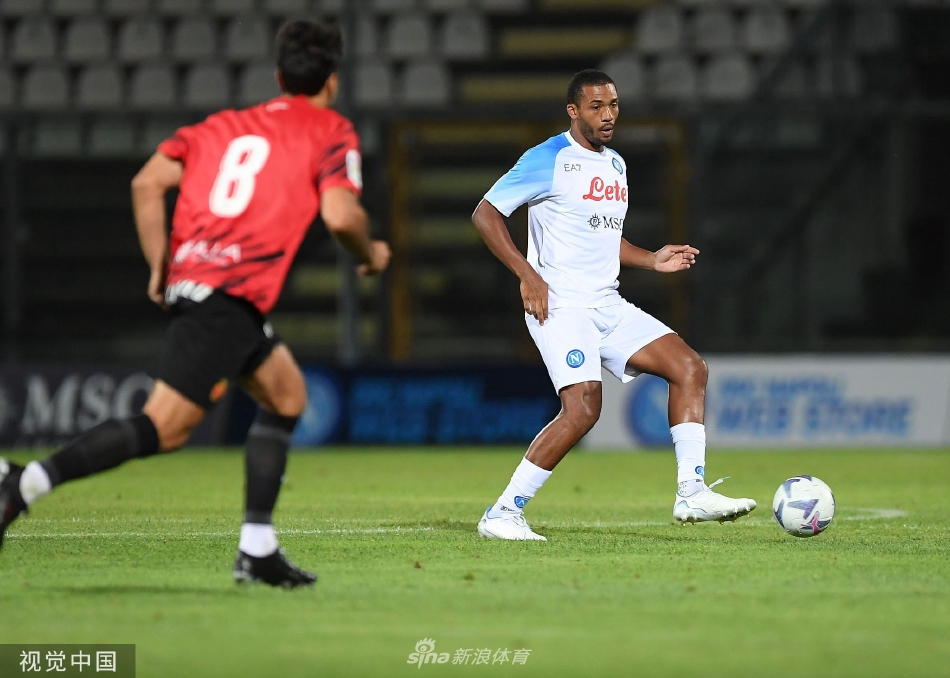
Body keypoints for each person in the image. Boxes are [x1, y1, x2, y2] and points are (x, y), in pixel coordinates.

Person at [0, 20, 391, 586]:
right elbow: (340, 214)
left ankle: (257, 550)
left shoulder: (221, 126)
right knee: (164, 428)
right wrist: (370, 253)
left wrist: (159, 263)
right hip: (227, 296)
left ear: (279, 76)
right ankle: (23, 483)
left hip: (207, 287)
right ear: (332, 79)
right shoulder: (330, 130)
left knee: (287, 394)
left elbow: (146, 182)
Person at [471, 69, 755, 541]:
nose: (608, 115)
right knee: (583, 407)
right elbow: (485, 213)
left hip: (606, 302)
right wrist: (528, 275)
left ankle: (692, 492)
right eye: (597, 107)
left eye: (614, 105)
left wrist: (652, 259)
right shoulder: (548, 158)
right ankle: (502, 513)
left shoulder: (616, 165)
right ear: (573, 111)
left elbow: (604, 237)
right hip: (561, 305)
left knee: (689, 368)